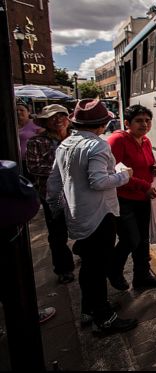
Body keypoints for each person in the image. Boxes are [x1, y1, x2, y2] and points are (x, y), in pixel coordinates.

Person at [47, 99, 138, 335]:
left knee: (89, 266)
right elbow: (99, 181)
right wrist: (124, 175)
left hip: (77, 214)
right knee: (97, 268)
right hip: (99, 214)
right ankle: (104, 317)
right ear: (102, 123)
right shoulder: (98, 146)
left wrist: (57, 211)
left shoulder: (65, 144)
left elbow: (54, 184)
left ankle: (89, 309)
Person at [107, 105, 156, 290]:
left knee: (142, 239)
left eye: (147, 120)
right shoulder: (117, 140)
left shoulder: (145, 141)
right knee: (130, 239)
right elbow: (114, 172)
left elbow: (148, 163)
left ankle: (142, 276)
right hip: (124, 199)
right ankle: (114, 270)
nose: (144, 124)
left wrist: (154, 167)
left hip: (143, 198)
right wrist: (143, 185)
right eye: (139, 121)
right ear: (127, 123)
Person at [26, 104, 75, 284]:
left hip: (79, 193)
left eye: (61, 116)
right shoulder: (37, 142)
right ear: (45, 121)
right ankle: (64, 268)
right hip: (53, 195)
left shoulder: (76, 138)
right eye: (53, 117)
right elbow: (34, 167)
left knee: (86, 228)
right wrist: (66, 170)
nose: (58, 120)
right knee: (58, 233)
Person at [16, 100, 42, 175]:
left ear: (28, 112)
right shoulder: (11, 125)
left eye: (22, 110)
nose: (18, 112)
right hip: (16, 160)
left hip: (32, 161)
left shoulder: (35, 123)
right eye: (16, 110)